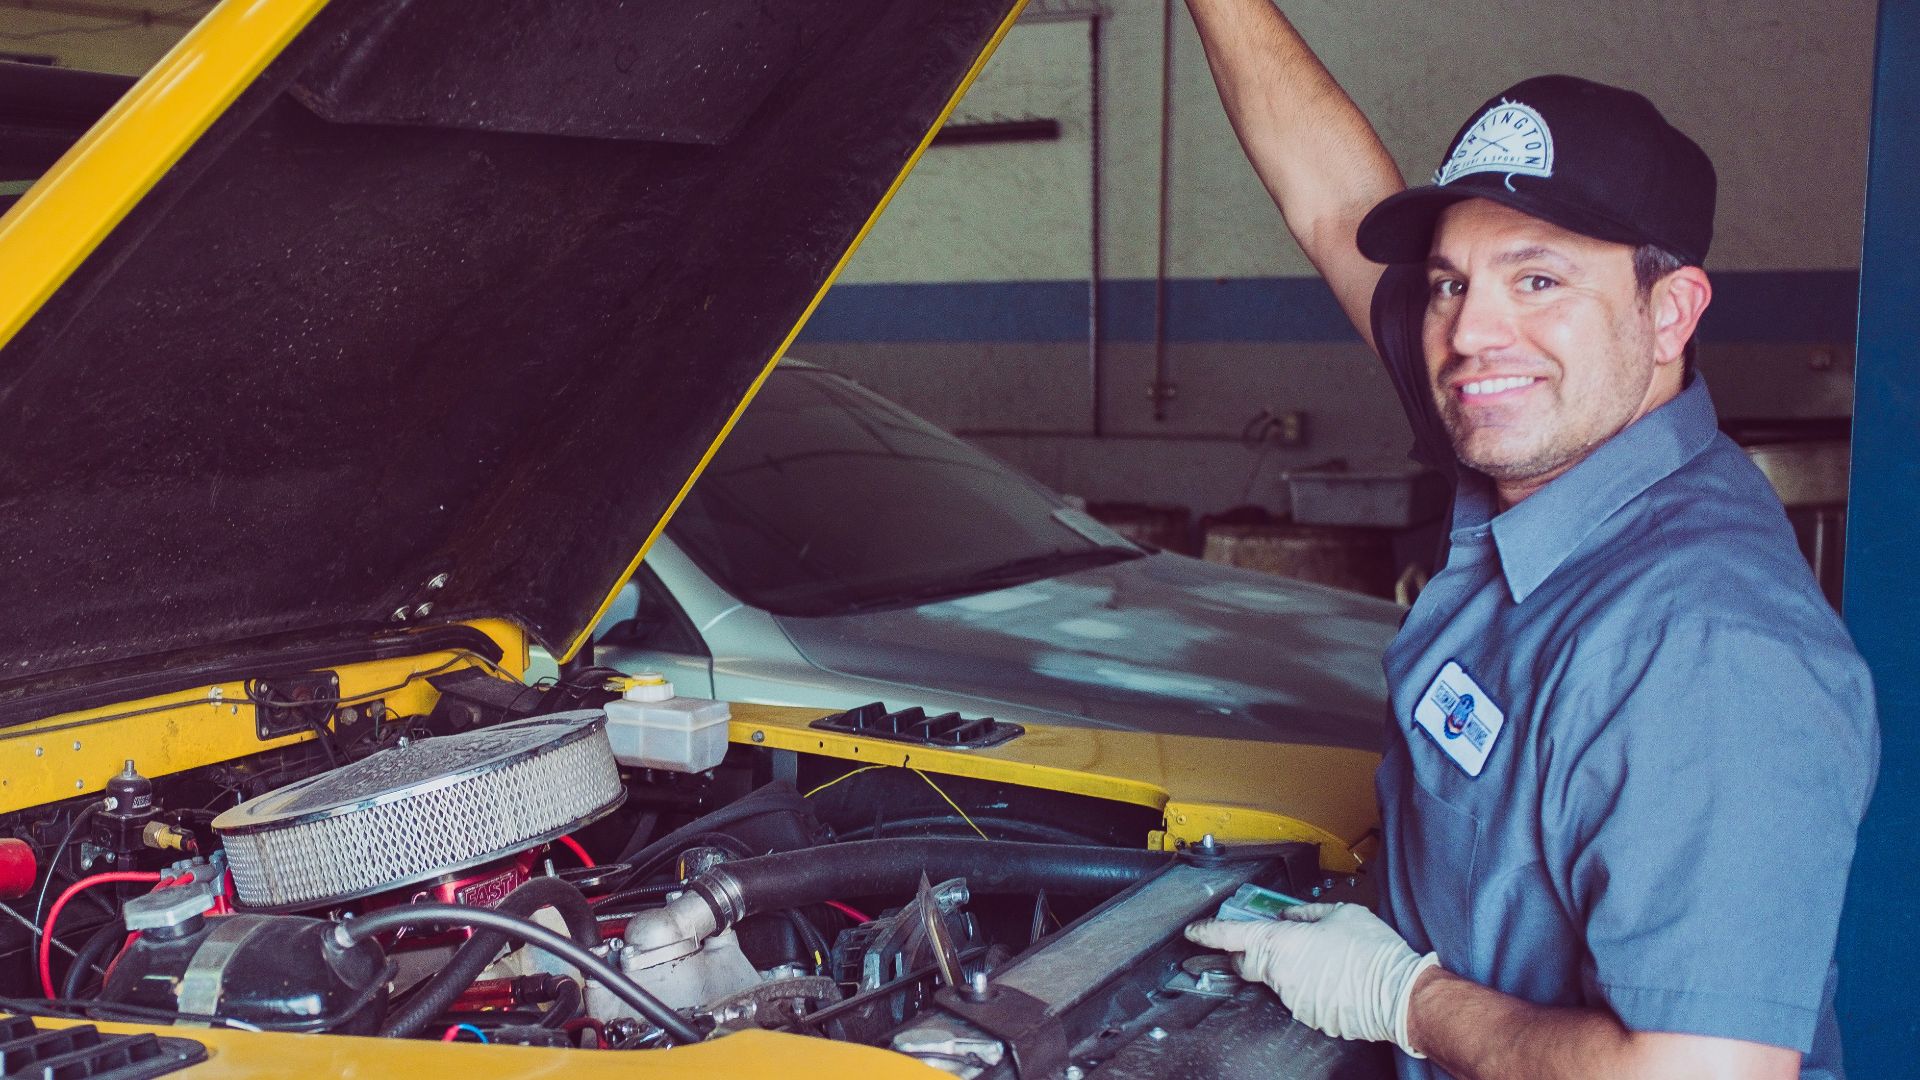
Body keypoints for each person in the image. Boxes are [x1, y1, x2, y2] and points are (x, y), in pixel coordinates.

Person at [1179, 4, 1880, 1079]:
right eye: (1453, 282)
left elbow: (1703, 1074)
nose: (1469, 334)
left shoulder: (1706, 648)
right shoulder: (1540, 440)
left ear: (1669, 313)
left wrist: (1403, 1000)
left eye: (1539, 279)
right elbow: (1329, 203)